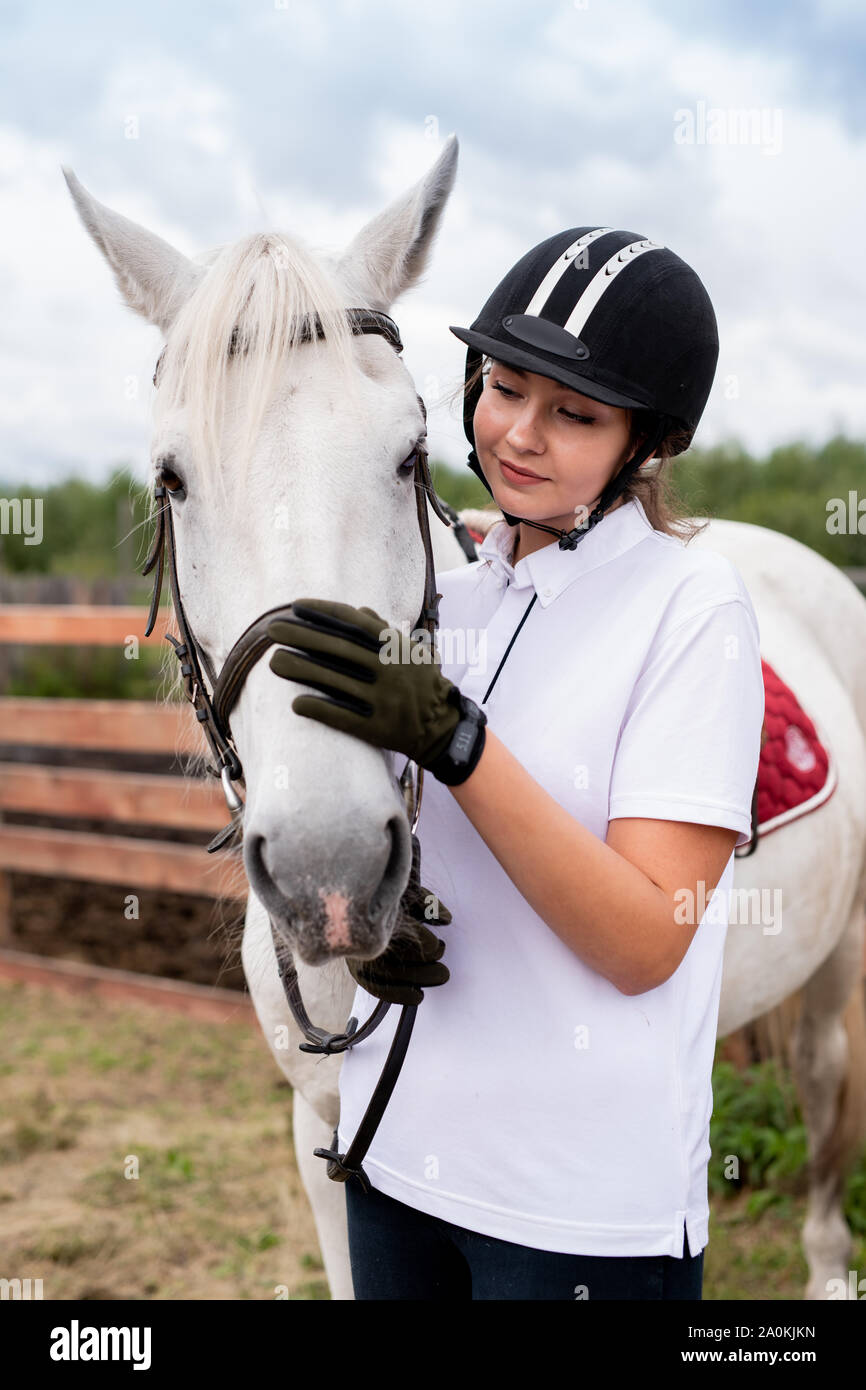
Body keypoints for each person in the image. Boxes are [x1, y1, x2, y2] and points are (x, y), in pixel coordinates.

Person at [266, 226, 766, 1300]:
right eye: (502, 387)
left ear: (650, 441)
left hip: (575, 1213)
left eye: (574, 414)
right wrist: (376, 928)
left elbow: (641, 941)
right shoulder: (451, 593)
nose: (519, 435)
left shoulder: (694, 611)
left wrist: (457, 744)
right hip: (394, 1156)